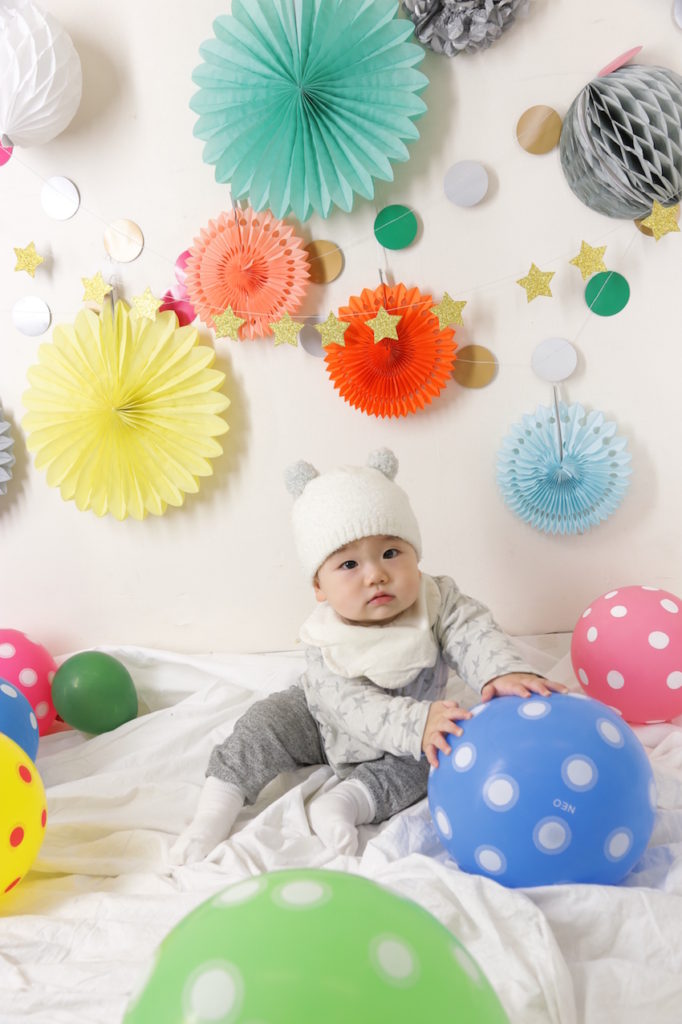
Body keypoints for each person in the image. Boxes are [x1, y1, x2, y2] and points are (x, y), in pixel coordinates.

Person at [170, 448, 565, 864]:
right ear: (319, 587)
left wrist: (500, 672)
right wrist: (417, 722)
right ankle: (214, 810)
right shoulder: (325, 639)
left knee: (436, 757)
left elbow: (472, 632)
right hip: (323, 721)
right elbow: (350, 706)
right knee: (263, 724)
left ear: (416, 556)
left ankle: (347, 802)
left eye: (391, 553)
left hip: (405, 738)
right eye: (349, 564)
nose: (375, 574)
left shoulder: (437, 600)